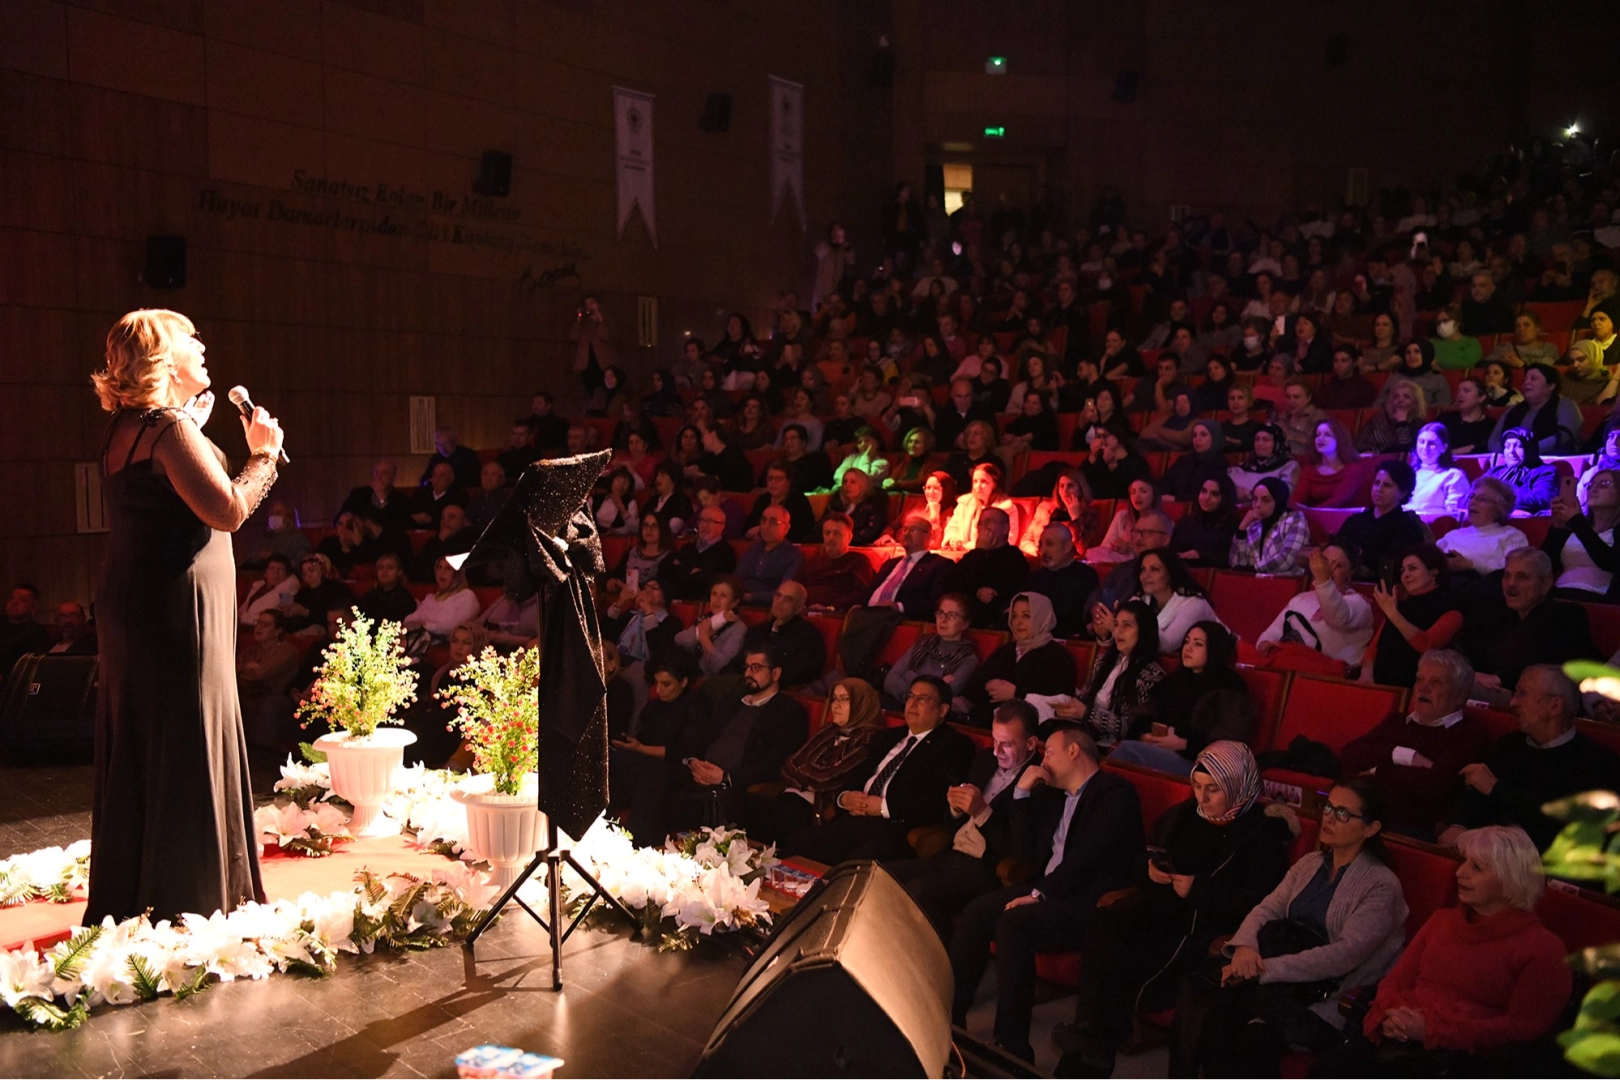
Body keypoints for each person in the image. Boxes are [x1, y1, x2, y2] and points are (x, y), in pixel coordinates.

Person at [87, 308, 283, 924]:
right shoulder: (168, 429)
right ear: (164, 361)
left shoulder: (129, 427)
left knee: (150, 738)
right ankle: (190, 897)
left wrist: (193, 427)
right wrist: (264, 456)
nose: (201, 346)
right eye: (189, 339)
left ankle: (138, 889)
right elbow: (228, 511)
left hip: (136, 601)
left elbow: (159, 500)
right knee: (187, 734)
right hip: (178, 607)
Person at [1054, 743, 1292, 1080]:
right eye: (1197, 786)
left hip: (1201, 928)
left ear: (1237, 787)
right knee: (1106, 922)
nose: (1202, 798)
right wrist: (1150, 870)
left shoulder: (1261, 836)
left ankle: (1092, 1043)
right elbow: (1143, 856)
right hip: (1158, 911)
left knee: (1117, 968)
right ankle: (1091, 1034)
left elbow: (1259, 904)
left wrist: (1198, 889)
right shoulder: (1184, 815)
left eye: (1213, 789)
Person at [1175, 778, 1408, 1080]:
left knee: (1252, 1040)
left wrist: (1265, 969)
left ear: (1371, 828)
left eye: (1342, 814)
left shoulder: (1381, 886)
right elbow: (1267, 908)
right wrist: (1245, 948)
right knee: (1213, 1017)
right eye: (1328, 807)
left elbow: (1344, 955)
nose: (1328, 818)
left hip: (1328, 997)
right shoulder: (1310, 863)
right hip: (1278, 985)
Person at [948, 721, 1142, 1064]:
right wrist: (1022, 794)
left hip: (1088, 900)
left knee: (1014, 923)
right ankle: (952, 1018)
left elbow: (1087, 859)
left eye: (1049, 752)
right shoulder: (1052, 796)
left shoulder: (1114, 792)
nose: (1044, 760)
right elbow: (1024, 855)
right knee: (978, 912)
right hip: (1047, 887)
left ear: (1074, 751)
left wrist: (1041, 894)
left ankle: (1012, 1045)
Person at [1312, 826, 1572, 1079]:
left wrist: (1432, 1030)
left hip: (1465, 1059)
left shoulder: (1543, 949)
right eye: (1464, 862)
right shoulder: (1442, 921)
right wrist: (1394, 1015)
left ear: (1510, 881)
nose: (1460, 872)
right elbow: (1395, 982)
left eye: (1476, 868)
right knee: (1330, 1069)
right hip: (1401, 1038)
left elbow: (1523, 1030)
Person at [886, 702, 1042, 943]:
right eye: (994, 741)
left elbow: (1020, 848)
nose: (997, 751)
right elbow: (949, 824)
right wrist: (955, 808)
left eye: (1007, 744)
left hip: (989, 868)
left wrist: (981, 812)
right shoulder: (985, 760)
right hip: (954, 853)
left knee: (920, 890)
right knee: (885, 876)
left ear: (1031, 743)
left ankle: (943, 956)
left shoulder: (1038, 781)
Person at [781, 672, 975, 864]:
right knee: (799, 843)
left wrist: (882, 808)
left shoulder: (954, 745)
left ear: (942, 710)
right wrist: (845, 797)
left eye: (922, 698)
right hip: (854, 818)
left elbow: (936, 799)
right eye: (910, 696)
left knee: (855, 862)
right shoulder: (888, 737)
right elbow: (856, 776)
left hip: (894, 828)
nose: (912, 703)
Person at [1440, 664, 1620, 850]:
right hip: (1492, 852)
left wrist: (1497, 789)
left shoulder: (1598, 762)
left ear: (1555, 706)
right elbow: (1476, 796)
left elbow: (1567, 824)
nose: (1513, 702)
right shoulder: (1508, 745)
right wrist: (1458, 825)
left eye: (1522, 694)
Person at [648, 643, 810, 842]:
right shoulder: (734, 701)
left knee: (714, 801)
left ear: (776, 673)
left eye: (756, 668)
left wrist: (726, 777)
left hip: (733, 785)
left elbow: (777, 764)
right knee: (656, 775)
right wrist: (693, 761)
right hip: (700, 773)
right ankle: (641, 848)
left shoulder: (790, 712)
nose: (748, 673)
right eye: (747, 667)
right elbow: (704, 738)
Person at [1341, 649, 1492, 837]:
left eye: (1435, 682)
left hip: (1413, 824)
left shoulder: (1470, 735)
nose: (1423, 688)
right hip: (1368, 810)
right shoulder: (1398, 721)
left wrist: (1376, 771)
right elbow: (1349, 755)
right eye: (1419, 679)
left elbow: (1435, 785)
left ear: (1460, 695)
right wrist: (1402, 755)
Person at [743, 678, 885, 844]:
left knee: (738, 808)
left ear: (861, 704)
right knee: (732, 804)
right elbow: (789, 765)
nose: (836, 705)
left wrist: (804, 776)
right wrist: (811, 781)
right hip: (789, 798)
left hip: (814, 811)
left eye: (844, 699)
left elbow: (829, 779)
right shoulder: (830, 730)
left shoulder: (867, 738)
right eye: (834, 699)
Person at [1460, 548, 1600, 703]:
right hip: (1492, 689)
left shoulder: (1566, 614)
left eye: (1522, 577)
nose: (1511, 584)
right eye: (1506, 576)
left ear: (1546, 584)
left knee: (1455, 689)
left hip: (1537, 698)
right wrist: (1471, 674)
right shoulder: (1496, 613)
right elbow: (1471, 649)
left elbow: (1550, 664)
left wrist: (1498, 679)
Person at [1111, 624, 1251, 774]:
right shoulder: (1174, 680)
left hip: (1201, 765)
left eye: (1198, 644)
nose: (1188, 648)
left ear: (1214, 650)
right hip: (1160, 750)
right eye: (1186, 642)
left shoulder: (1230, 688)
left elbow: (1227, 743)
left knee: (1128, 751)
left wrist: (1185, 744)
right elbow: (1142, 713)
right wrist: (1144, 735)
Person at [958, 592, 1078, 727]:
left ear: (1042, 617)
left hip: (1029, 727)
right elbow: (975, 685)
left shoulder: (1058, 657)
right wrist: (987, 685)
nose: (1018, 622)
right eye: (1014, 615)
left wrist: (1016, 693)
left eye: (1026, 616)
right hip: (988, 721)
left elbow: (1059, 702)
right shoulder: (1006, 651)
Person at [1256, 544, 1376, 669]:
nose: (1328, 569)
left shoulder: (1360, 604)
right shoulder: (1302, 599)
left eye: (1339, 565)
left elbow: (1336, 618)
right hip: (1288, 663)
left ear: (1350, 573)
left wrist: (1324, 581)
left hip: (1328, 674)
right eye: (1325, 562)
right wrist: (1264, 644)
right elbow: (1273, 632)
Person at [882, 594, 980, 712]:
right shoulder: (923, 643)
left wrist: (910, 675)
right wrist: (937, 681)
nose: (943, 620)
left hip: (928, 713)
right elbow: (891, 679)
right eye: (941, 613)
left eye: (951, 615)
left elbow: (942, 695)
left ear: (965, 624)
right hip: (899, 702)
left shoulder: (968, 658)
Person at [1334, 461, 1430, 581]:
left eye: (1387, 485)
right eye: (1376, 483)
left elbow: (1392, 568)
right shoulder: (1355, 521)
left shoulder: (1408, 529)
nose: (1379, 489)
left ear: (1402, 493)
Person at [943, 508, 1030, 628]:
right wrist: (979, 551)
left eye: (989, 522)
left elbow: (999, 588)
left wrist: (979, 551)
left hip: (990, 621)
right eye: (980, 523)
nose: (983, 527)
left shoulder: (1013, 556)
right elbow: (952, 582)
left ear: (1005, 529)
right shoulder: (974, 555)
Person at [1546, 468, 1620, 598]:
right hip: (1560, 593)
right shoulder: (1575, 526)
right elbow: (1545, 565)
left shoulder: (1578, 524)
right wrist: (1558, 527)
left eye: (1604, 484)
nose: (1593, 489)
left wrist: (1577, 521)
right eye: (1590, 485)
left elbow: (1609, 562)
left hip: (1599, 598)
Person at [735, 582, 824, 688]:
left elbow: (798, 675)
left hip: (777, 690)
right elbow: (738, 662)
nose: (780, 601)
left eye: (788, 599)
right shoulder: (757, 631)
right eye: (778, 595)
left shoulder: (809, 637)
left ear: (799, 608)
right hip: (745, 684)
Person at [1438, 477, 1530, 578]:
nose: (1472, 502)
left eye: (1482, 499)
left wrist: (1471, 565)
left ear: (1499, 508)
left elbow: (1513, 570)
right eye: (1472, 497)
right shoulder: (1453, 535)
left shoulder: (1511, 536)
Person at [1023, 523, 1101, 639]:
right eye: (1041, 545)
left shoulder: (1085, 576)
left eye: (1050, 544)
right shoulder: (1034, 578)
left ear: (1067, 547)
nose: (1043, 551)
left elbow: (1074, 616)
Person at [865, 513, 953, 615]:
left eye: (913, 530)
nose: (906, 534)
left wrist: (900, 607)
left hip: (898, 617)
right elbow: (869, 590)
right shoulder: (890, 564)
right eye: (904, 529)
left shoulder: (939, 565)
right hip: (867, 613)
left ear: (928, 536)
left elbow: (937, 603)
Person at [1487, 364, 1582, 455]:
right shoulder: (1513, 410)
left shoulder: (1566, 405)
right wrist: (1508, 453)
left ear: (1551, 386)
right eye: (1525, 380)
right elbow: (1493, 440)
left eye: (1533, 379)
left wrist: (1529, 451)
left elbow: (1564, 436)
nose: (1526, 383)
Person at [1230, 478, 1310, 574]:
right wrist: (1241, 529)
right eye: (1255, 499)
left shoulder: (1295, 521)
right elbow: (1236, 565)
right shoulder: (1252, 525)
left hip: (1284, 581)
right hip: (1253, 581)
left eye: (1266, 500)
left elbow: (1286, 559)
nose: (1257, 505)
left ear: (1279, 502)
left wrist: (1253, 570)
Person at [672, 576, 748, 676]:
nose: (716, 600)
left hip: (710, 678)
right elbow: (679, 640)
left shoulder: (739, 628)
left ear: (734, 602)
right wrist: (713, 624)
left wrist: (704, 638)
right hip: (688, 671)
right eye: (714, 594)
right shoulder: (707, 618)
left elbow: (721, 667)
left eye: (723, 596)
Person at [798, 514, 876, 610]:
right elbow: (796, 585)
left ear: (849, 537)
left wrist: (832, 608)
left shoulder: (858, 561)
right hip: (803, 610)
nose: (831, 538)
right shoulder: (814, 561)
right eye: (827, 533)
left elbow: (861, 593)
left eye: (837, 533)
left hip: (835, 613)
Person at [941, 461, 1022, 552]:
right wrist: (953, 539)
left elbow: (1009, 540)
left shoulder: (1006, 509)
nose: (978, 486)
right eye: (975, 481)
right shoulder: (964, 504)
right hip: (961, 555)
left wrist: (969, 547)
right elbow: (952, 527)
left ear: (994, 484)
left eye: (983, 481)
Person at [661, 505, 737, 602]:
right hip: (675, 599)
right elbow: (665, 567)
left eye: (710, 521)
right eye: (701, 520)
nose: (704, 525)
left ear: (722, 526)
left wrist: (682, 569)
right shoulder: (687, 548)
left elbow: (712, 581)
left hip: (702, 602)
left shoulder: (726, 553)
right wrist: (693, 571)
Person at [1018, 468, 1099, 557]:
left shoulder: (1089, 513)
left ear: (1080, 490)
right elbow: (1026, 540)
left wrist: (1075, 519)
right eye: (1061, 486)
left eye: (1070, 486)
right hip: (1041, 558)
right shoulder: (1045, 508)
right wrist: (1038, 553)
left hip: (1068, 561)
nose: (1065, 491)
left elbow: (1082, 550)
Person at [736, 505, 804, 605]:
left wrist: (751, 597)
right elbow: (737, 577)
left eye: (773, 522)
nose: (766, 526)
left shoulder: (793, 556)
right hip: (740, 600)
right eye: (763, 521)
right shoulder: (753, 548)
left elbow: (785, 592)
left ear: (786, 528)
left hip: (770, 606)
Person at [1485, 427, 1560, 515]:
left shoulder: (1545, 472)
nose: (1511, 451)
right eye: (1507, 446)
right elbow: (1475, 493)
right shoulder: (1495, 472)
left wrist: (1501, 499)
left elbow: (1542, 499)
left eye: (1518, 446)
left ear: (1530, 449)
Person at [1088, 478, 1162, 566]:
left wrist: (1130, 548)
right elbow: (1106, 545)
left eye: (1143, 491)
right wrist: (1116, 546)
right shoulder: (1122, 516)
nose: (1137, 496)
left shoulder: (1161, 521)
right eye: (1133, 492)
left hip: (1141, 561)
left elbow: (1156, 552)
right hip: (1117, 557)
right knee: (1092, 553)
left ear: (1154, 495)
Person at [402, 557, 478, 641]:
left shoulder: (466, 596)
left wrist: (425, 626)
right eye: (439, 567)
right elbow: (409, 620)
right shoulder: (430, 598)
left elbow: (454, 627)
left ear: (457, 573)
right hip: (421, 639)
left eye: (448, 568)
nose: (442, 572)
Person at [1406, 423, 1470, 517]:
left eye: (1431, 443)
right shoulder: (1408, 473)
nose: (1425, 447)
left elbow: (1455, 516)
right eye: (1421, 442)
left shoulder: (1453, 476)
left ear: (1444, 448)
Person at [1161, 419, 1231, 503]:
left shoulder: (1220, 464)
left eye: (1203, 435)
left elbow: (1211, 496)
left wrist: (1176, 499)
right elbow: (1163, 484)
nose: (1197, 439)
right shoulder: (1184, 461)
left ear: (1214, 437)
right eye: (1195, 435)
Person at [744, 463, 816, 543]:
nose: (773, 482)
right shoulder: (762, 500)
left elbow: (802, 531)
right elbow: (748, 527)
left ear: (788, 481)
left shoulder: (799, 501)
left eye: (778, 479)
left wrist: (762, 529)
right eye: (770, 478)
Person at [1355, 378, 1426, 456]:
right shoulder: (1379, 418)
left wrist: (1401, 423)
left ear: (1415, 403)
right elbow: (1359, 442)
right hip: (1373, 458)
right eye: (1396, 397)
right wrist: (1372, 451)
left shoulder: (1419, 424)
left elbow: (1406, 449)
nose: (1400, 400)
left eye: (1406, 397)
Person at [1228, 425, 1299, 503]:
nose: (1260, 443)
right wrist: (1234, 492)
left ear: (1277, 444)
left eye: (1266, 439)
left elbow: (1283, 495)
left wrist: (1251, 495)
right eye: (1257, 439)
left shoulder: (1289, 466)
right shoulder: (1240, 469)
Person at [342, 459, 411, 533]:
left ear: (393, 477)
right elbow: (340, 518)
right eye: (376, 472)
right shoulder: (358, 494)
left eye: (384, 473)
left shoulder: (401, 500)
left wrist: (381, 496)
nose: (378, 477)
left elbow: (399, 527)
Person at [1436, 376, 1497, 455]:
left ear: (1481, 398)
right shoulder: (1445, 419)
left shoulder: (1490, 425)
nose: (1460, 395)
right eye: (1458, 391)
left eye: (1466, 391)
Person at [237, 553, 298, 628]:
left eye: (280, 570)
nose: (275, 573)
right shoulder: (258, 586)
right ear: (266, 573)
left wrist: (243, 618)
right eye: (272, 568)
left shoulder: (287, 592)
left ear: (286, 575)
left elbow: (282, 616)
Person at [355, 551, 418, 623]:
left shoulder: (405, 597)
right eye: (381, 568)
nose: (384, 571)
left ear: (399, 572)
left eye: (390, 567)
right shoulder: (369, 596)